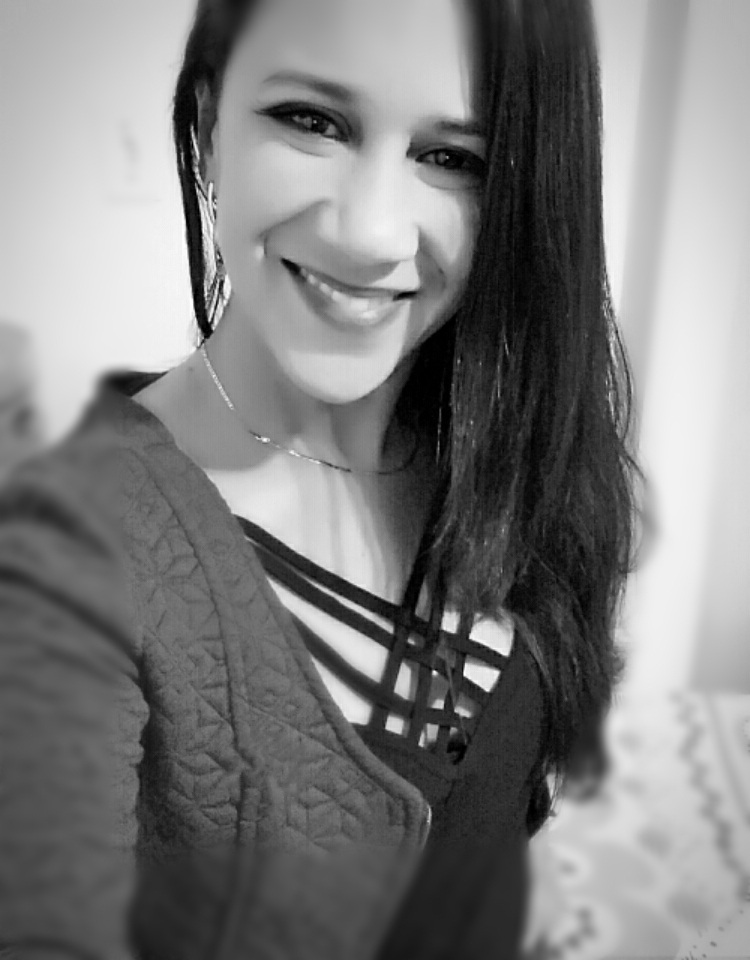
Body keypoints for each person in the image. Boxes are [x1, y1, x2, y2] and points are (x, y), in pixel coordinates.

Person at [0, 0, 644, 957]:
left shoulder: (514, 473)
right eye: (312, 120)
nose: (371, 231)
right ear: (209, 123)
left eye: (453, 157)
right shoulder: (64, 542)